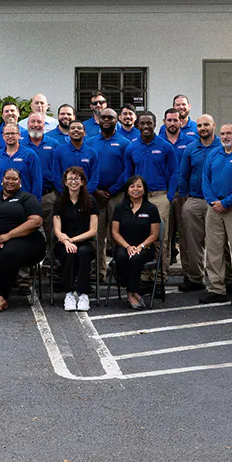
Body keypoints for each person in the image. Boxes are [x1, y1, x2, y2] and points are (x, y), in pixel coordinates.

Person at [0, 168, 46, 313]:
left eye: (14, 179)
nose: (10, 182)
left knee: (8, 253)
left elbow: (36, 221)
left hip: (26, 239)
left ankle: (4, 294)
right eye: (7, 178)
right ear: (2, 181)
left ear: (20, 182)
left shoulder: (27, 198)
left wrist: (8, 235)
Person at [202, 123, 232, 306]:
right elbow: (205, 179)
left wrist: (226, 202)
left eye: (229, 133)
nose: (225, 137)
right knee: (214, 249)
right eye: (222, 134)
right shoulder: (214, 153)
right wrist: (212, 200)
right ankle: (216, 288)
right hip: (214, 207)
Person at [176, 114, 221, 293]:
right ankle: (196, 278)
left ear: (213, 126)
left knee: (218, 243)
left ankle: (222, 278)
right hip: (194, 200)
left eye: (206, 125)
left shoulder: (222, 146)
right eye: (200, 125)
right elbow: (183, 174)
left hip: (217, 203)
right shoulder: (191, 148)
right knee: (193, 243)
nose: (203, 128)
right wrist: (185, 198)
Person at [87, 108, 131, 286]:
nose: (106, 120)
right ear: (98, 119)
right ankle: (98, 272)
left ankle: (120, 272)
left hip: (116, 196)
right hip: (95, 195)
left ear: (117, 120)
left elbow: (127, 170)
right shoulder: (90, 142)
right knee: (97, 236)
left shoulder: (124, 143)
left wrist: (113, 190)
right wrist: (95, 189)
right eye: (103, 117)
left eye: (110, 117)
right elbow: (87, 169)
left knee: (118, 236)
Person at [123, 112, 177, 239]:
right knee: (139, 233)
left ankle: (163, 260)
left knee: (161, 236)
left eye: (149, 123)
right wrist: (128, 193)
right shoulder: (131, 148)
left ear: (155, 124)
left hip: (160, 196)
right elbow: (128, 173)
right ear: (137, 125)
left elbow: (175, 171)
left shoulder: (166, 146)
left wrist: (169, 196)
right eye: (142, 123)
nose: (146, 126)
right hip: (138, 197)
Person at [111, 175, 161, 311]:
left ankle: (130, 292)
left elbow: (154, 234)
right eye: (132, 186)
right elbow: (115, 232)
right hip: (124, 245)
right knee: (122, 256)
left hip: (145, 247)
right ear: (127, 190)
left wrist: (140, 247)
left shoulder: (151, 209)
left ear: (144, 190)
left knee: (136, 257)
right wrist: (127, 246)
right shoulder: (120, 208)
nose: (135, 189)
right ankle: (133, 291)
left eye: (139, 186)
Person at [161, 106, 199, 281]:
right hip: (164, 193)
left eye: (175, 120)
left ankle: (188, 272)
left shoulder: (190, 143)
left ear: (181, 122)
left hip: (184, 193)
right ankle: (162, 272)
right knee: (164, 235)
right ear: (164, 122)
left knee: (185, 235)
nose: (172, 123)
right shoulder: (159, 142)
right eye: (169, 120)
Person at [53, 167, 98, 311]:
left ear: (83, 182)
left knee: (83, 252)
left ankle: (83, 293)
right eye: (70, 179)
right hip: (63, 244)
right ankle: (69, 293)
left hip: (84, 242)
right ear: (65, 183)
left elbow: (93, 230)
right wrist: (66, 241)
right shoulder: (59, 202)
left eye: (77, 179)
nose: (73, 182)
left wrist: (73, 240)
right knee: (70, 253)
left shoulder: (91, 201)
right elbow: (57, 230)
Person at [24, 112, 61, 234]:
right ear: (27, 124)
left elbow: (58, 169)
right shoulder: (20, 144)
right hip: (25, 197)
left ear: (44, 124)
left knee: (52, 231)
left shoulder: (53, 144)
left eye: (39, 122)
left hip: (48, 196)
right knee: (26, 231)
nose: (36, 125)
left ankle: (51, 253)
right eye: (32, 121)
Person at [0, 123, 42, 198]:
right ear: (3, 136)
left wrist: (35, 204)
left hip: (23, 201)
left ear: (19, 135)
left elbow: (36, 182)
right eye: (7, 134)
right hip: (1, 202)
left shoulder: (30, 155)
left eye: (13, 133)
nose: (10, 136)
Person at [52, 119, 98, 190]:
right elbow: (56, 176)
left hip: (86, 195)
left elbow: (94, 178)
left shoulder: (92, 152)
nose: (76, 130)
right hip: (64, 195)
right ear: (68, 133)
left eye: (79, 128)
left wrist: (85, 193)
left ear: (84, 133)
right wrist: (66, 194)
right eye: (72, 128)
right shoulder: (59, 151)